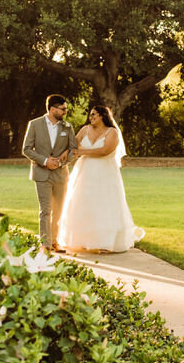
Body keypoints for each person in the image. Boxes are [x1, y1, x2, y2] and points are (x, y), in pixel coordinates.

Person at [56, 104, 144, 253]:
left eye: (94, 115)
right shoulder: (85, 130)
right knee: (83, 203)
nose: (91, 118)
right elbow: (73, 146)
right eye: (90, 115)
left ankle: (106, 243)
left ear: (103, 116)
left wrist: (81, 151)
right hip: (85, 172)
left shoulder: (112, 132)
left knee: (105, 204)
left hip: (105, 172)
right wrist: (65, 154)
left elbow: (104, 151)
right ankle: (83, 240)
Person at [21, 94, 77, 252]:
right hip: (41, 174)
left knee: (58, 210)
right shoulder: (34, 124)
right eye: (63, 109)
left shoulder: (68, 127)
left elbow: (74, 150)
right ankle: (45, 244)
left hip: (60, 174)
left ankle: (55, 241)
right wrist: (45, 161)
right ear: (53, 109)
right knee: (45, 210)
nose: (65, 112)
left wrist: (60, 162)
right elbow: (26, 149)